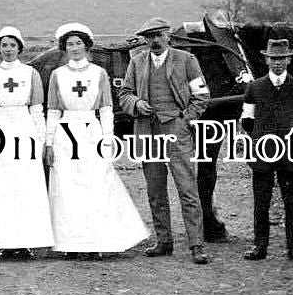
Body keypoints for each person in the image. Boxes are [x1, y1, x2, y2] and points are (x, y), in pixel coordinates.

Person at [45, 23, 148, 256]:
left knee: (95, 184)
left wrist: (108, 140)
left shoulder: (98, 73)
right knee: (67, 187)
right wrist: (49, 142)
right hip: (65, 135)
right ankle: (70, 244)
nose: (74, 48)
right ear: (64, 48)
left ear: (87, 46)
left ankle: (96, 242)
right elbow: (53, 110)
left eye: (78, 43)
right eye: (69, 44)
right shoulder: (57, 75)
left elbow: (105, 110)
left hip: (92, 133)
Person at [118, 17, 211, 265]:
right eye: (150, 37)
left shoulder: (186, 60)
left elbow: (201, 95)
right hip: (147, 132)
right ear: (145, 40)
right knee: (155, 190)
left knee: (187, 189)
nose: (155, 41)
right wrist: (136, 104)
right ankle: (164, 241)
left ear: (168, 36)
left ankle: (196, 245)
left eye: (159, 35)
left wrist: (185, 119)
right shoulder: (137, 62)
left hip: (176, 132)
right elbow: (124, 94)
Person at [0, 26, 53, 258]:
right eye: (4, 45)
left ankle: (26, 241)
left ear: (19, 48)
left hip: (24, 130)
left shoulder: (31, 74)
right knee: (2, 187)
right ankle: (6, 241)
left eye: (12, 45)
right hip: (0, 133)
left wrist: (40, 140)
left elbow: (37, 110)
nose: (8, 49)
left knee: (25, 186)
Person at [241, 39, 293, 262]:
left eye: (281, 59)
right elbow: (247, 120)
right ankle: (259, 246)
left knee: (291, 200)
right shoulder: (255, 87)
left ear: (289, 60)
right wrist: (260, 140)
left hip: (290, 154)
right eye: (273, 59)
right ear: (266, 60)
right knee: (261, 201)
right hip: (263, 153)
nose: (277, 63)